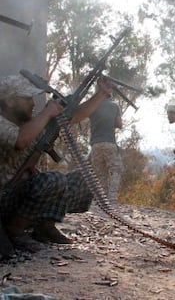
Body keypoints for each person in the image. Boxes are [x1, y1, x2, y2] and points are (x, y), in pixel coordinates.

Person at [0, 74, 112, 258]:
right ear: (10, 102)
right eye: (27, 98)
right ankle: (15, 230)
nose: (33, 103)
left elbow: (73, 116)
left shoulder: (32, 120)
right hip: (5, 198)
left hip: (23, 194)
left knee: (83, 178)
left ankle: (44, 227)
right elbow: (21, 140)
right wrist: (47, 113)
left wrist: (101, 94)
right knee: (53, 180)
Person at [89, 94, 123, 204]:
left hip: (95, 144)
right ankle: (112, 198)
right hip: (109, 142)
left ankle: (100, 198)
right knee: (116, 170)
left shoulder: (92, 106)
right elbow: (119, 124)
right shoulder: (114, 106)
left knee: (99, 173)